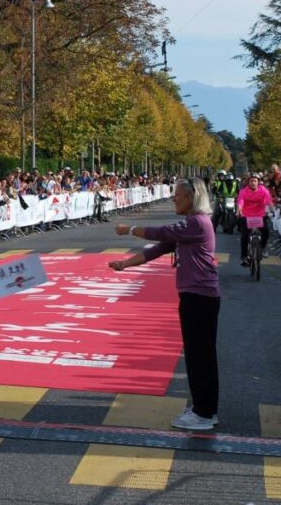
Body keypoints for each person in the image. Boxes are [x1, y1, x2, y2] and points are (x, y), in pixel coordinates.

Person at [110, 178, 220, 431]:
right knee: (198, 354)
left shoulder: (196, 222)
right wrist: (125, 264)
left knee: (199, 355)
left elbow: (161, 233)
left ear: (192, 198)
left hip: (199, 297)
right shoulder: (192, 224)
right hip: (196, 296)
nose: (174, 199)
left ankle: (204, 413)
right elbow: (159, 248)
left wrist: (129, 229)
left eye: (178, 195)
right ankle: (204, 407)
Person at [237, 174, 273, 267]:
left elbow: (269, 200)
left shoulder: (263, 190)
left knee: (266, 232)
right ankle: (244, 257)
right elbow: (240, 201)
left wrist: (272, 208)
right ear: (248, 182)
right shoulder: (243, 191)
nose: (253, 183)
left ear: (258, 182)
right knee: (244, 236)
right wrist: (239, 209)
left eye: (255, 181)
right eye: (251, 181)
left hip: (260, 215)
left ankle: (263, 248)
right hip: (247, 215)